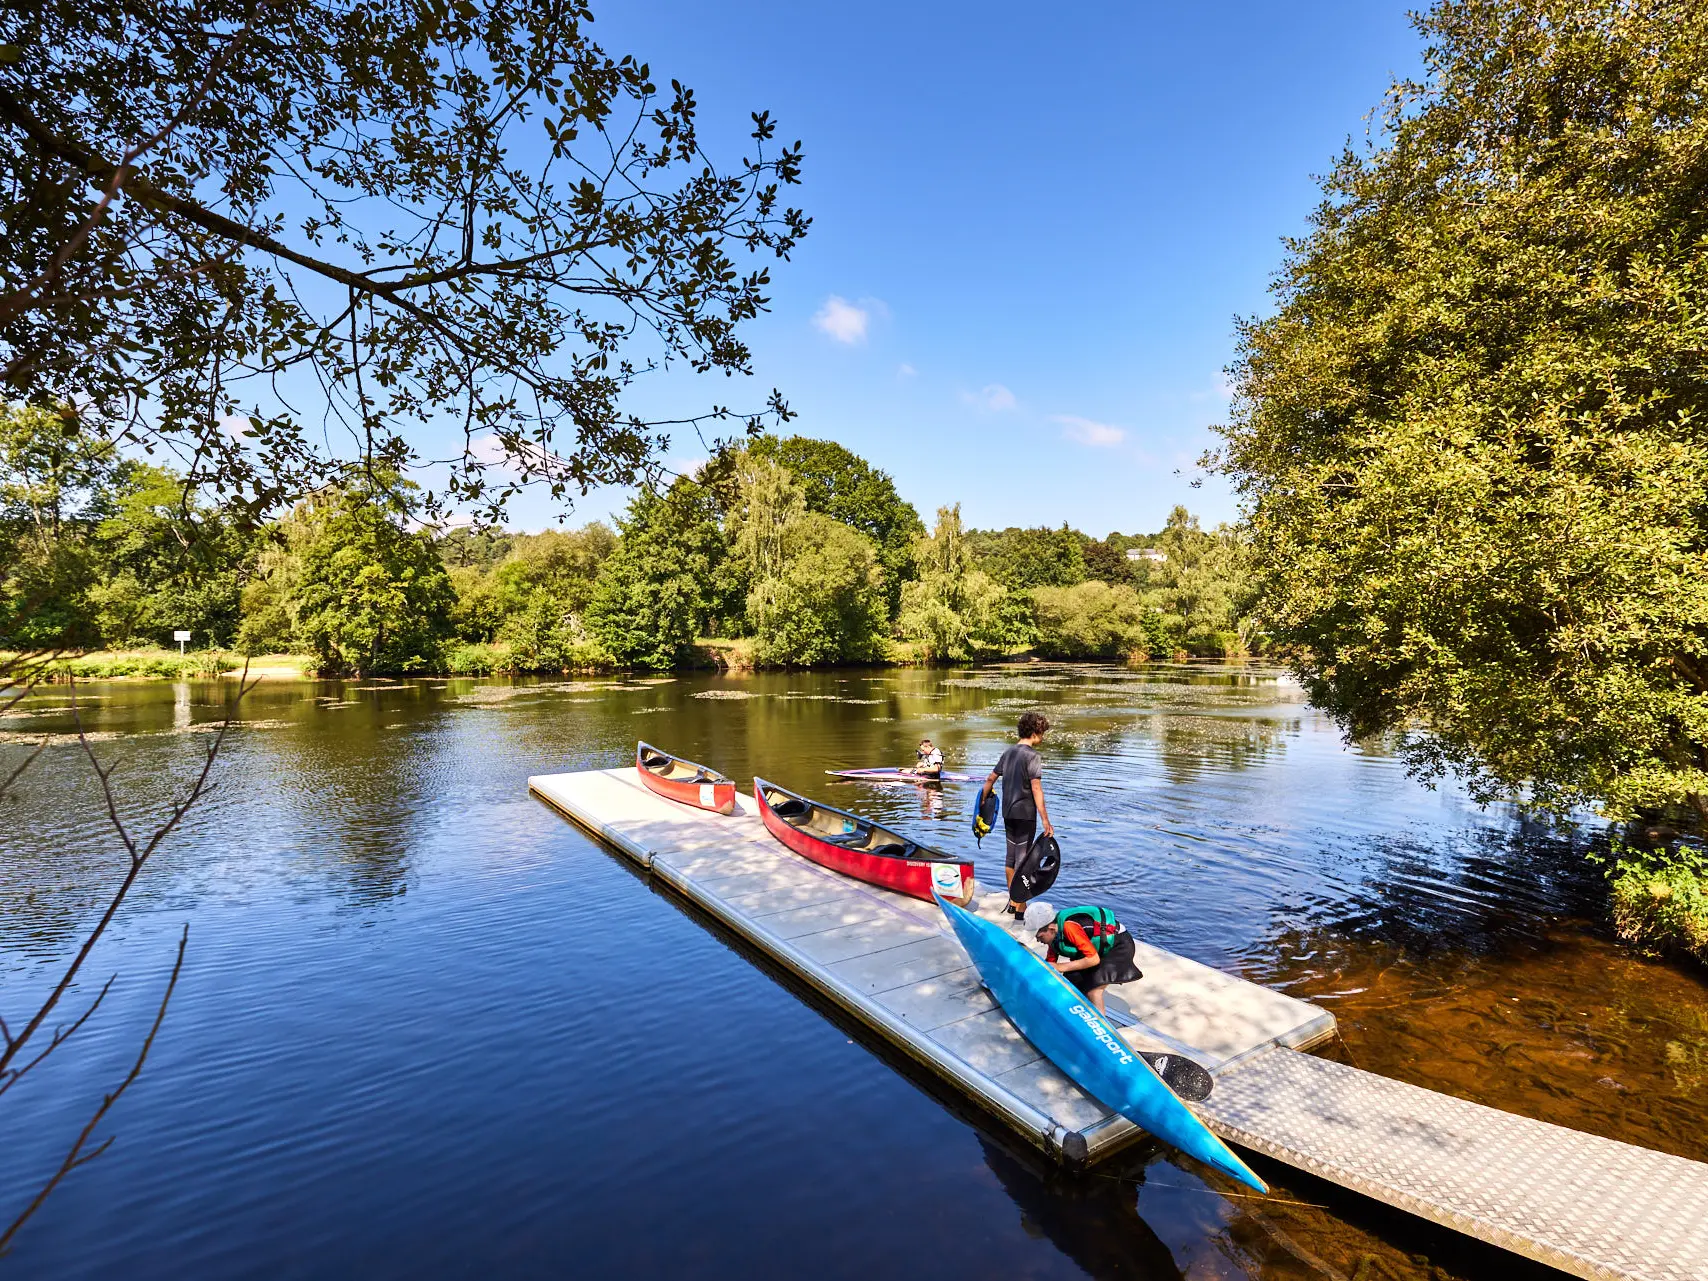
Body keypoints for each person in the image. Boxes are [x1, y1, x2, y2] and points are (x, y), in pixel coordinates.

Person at [979, 710, 1053, 917]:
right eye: (1042, 733)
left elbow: (989, 779)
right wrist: (1046, 820)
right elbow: (1036, 789)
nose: (1043, 737)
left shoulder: (1008, 753)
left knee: (1010, 858)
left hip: (1008, 813)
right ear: (1036, 732)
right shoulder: (1032, 756)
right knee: (1024, 861)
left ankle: (1013, 901)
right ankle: (1020, 907)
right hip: (1025, 814)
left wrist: (982, 803)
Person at [1023, 901, 1143, 1015]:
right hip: (1095, 949)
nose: (1037, 940)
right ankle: (1074, 1014)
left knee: (1093, 989)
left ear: (1051, 929)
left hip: (1117, 946)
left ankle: (1099, 1026)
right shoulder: (1054, 934)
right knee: (1072, 982)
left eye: (1038, 936)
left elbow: (1093, 959)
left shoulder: (1069, 928)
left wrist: (1060, 967)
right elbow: (1050, 964)